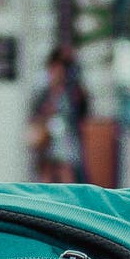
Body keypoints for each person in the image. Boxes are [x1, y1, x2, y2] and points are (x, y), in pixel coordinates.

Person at [31, 46, 91, 186]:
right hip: (47, 134)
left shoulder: (71, 88)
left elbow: (81, 110)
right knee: (46, 169)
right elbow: (36, 109)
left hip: (65, 134)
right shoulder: (44, 87)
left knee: (66, 167)